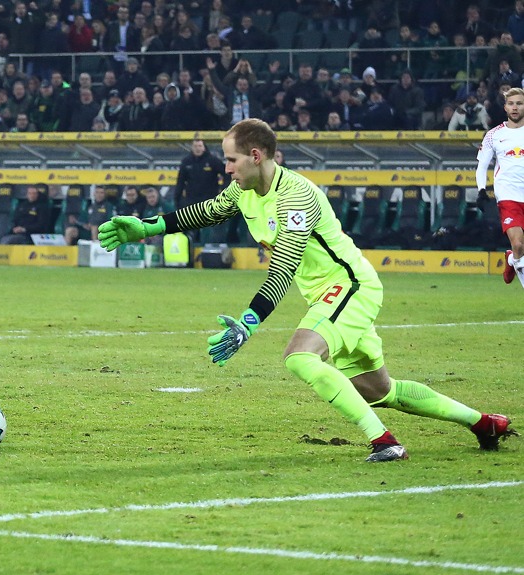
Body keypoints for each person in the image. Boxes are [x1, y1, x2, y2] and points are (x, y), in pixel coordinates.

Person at [97, 118, 517, 462]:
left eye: (231, 160)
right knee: (380, 391)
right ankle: (484, 422)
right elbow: (205, 212)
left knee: (299, 356)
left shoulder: (296, 197)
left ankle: (385, 442)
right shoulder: (243, 190)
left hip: (350, 285)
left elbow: (282, 268)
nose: (226, 168)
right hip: (330, 294)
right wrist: (148, 226)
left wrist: (247, 324)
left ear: (255, 156)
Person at [477, 87, 524, 288]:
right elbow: (482, 165)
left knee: (518, 252)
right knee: (519, 244)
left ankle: (512, 260)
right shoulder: (493, 135)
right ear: (505, 107)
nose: (515, 107)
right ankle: (515, 255)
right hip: (508, 194)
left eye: (519, 103)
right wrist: (481, 189)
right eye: (511, 103)